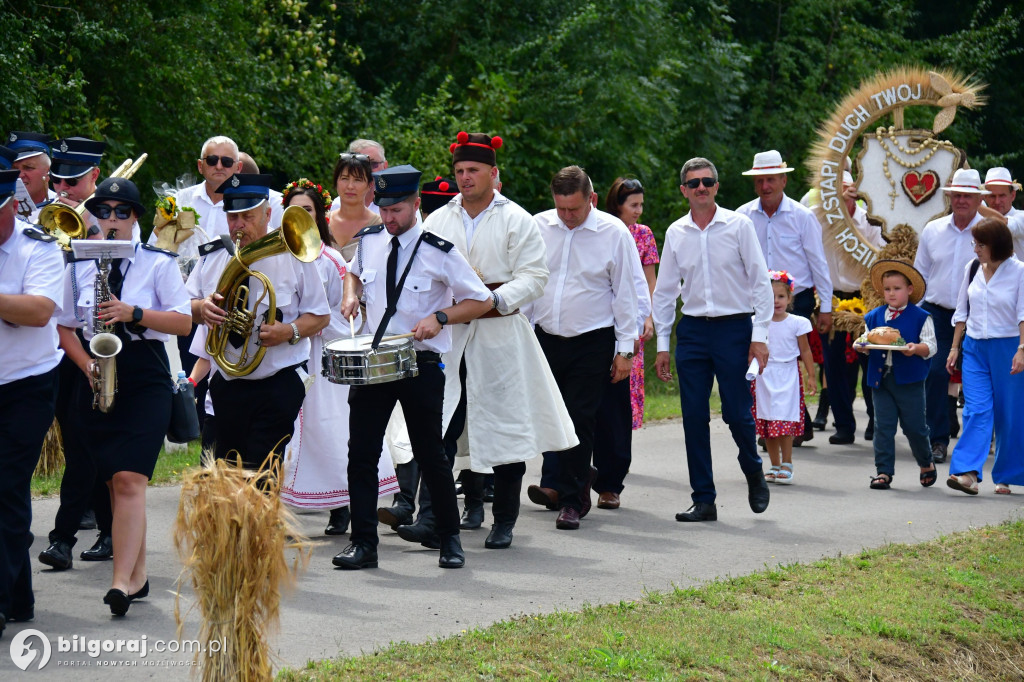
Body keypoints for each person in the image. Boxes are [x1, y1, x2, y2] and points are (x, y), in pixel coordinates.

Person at [419, 133, 576, 548]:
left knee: (506, 430)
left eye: (473, 171)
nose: (465, 178)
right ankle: (436, 518)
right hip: (450, 337)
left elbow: (535, 277)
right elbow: (421, 271)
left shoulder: (516, 219)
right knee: (442, 426)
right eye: (459, 172)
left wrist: (492, 300)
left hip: (501, 336)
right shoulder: (438, 220)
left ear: (493, 173)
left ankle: (504, 520)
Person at [333, 164, 493, 570]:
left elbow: (480, 300)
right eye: (384, 209)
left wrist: (440, 318)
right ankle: (364, 543)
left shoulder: (440, 251)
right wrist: (351, 295)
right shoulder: (370, 241)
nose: (389, 218)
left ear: (416, 205)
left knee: (430, 452)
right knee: (362, 453)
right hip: (376, 359)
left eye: (398, 210)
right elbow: (353, 274)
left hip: (420, 362)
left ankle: (449, 538)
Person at [56, 178, 192, 615]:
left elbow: (182, 323)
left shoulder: (158, 262)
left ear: (136, 218)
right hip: (94, 372)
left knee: (131, 479)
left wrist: (132, 312)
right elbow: (62, 326)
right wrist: (84, 364)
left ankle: (119, 582)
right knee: (114, 480)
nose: (112, 219)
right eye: (105, 211)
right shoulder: (77, 262)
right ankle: (137, 577)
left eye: (122, 211)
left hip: (144, 372)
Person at [652, 157, 773, 522]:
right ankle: (704, 499)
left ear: (717, 187)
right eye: (694, 183)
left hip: (734, 328)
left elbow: (760, 282)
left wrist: (760, 336)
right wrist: (662, 344)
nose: (701, 187)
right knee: (693, 416)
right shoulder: (676, 232)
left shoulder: (738, 226)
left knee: (736, 412)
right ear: (683, 191)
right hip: (692, 331)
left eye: (707, 181)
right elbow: (666, 291)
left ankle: (753, 470)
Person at [276, 179, 399, 532]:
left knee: (328, 430)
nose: (300, 218)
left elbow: (346, 316)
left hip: (321, 355)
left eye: (308, 211)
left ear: (319, 217)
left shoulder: (329, 259)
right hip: (287, 353)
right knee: (290, 433)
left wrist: (309, 327)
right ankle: (283, 504)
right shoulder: (278, 258)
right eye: (292, 212)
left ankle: (341, 502)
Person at [190, 174, 331, 469]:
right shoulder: (214, 256)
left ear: (268, 214)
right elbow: (183, 306)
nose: (238, 224)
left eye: (247, 216)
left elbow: (320, 315)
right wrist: (202, 308)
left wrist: (288, 331)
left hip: (277, 382)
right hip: (227, 382)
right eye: (232, 216)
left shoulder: (294, 255)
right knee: (223, 476)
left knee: (261, 473)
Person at [530, 165, 644, 531]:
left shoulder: (613, 233)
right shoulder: (539, 226)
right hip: (545, 336)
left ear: (591, 200)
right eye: (561, 208)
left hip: (593, 338)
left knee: (580, 418)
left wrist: (625, 351)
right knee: (549, 415)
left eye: (574, 210)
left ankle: (573, 501)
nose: (566, 216)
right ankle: (572, 478)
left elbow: (628, 294)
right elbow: (530, 282)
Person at [38, 138, 116, 572]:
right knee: (80, 443)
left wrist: (94, 226)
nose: (64, 187)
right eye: (60, 179)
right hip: (64, 349)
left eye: (74, 179)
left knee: (94, 445)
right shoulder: (49, 219)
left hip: (104, 345)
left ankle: (68, 536)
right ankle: (103, 531)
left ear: (94, 179)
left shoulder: (114, 222)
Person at [0, 169, 64, 633]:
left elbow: (40, 310)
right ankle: (18, 595)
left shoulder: (36, 245)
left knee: (4, 485)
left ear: (8, 206)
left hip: (26, 384)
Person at [737, 150, 832, 444]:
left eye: (771, 179)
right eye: (761, 180)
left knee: (787, 364)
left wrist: (825, 307)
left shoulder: (802, 217)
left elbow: (818, 262)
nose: (766, 186)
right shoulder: (742, 216)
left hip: (796, 300)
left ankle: (790, 424)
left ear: (783, 180)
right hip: (754, 300)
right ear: (755, 183)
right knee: (760, 362)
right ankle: (773, 426)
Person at [590, 176, 658, 509]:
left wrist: (647, 317)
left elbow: (649, 281)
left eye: (641, 205)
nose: (638, 211)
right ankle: (573, 472)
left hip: (629, 326)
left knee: (620, 394)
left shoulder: (642, 235)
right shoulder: (600, 230)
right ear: (617, 204)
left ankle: (612, 473)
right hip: (594, 326)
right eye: (633, 205)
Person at [914, 168, 989, 463]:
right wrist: (914, 314)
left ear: (977, 199)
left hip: (979, 315)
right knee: (934, 373)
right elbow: (920, 275)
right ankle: (938, 440)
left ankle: (979, 443)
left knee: (976, 380)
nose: (961, 200)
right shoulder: (933, 230)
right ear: (949, 197)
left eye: (967, 196)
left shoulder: (989, 232)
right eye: (957, 195)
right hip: (937, 311)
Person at [946, 218, 1024, 495]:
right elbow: (961, 311)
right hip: (975, 347)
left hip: (1009, 347)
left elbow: (1023, 315)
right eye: (974, 243)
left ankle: (1006, 475)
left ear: (998, 246)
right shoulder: (972, 268)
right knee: (976, 409)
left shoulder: (1019, 272)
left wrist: (1022, 350)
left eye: (981, 244)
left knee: (1009, 413)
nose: (975, 249)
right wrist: (955, 347)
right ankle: (967, 472)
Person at [856, 261, 937, 490]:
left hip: (909, 380)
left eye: (897, 288)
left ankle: (925, 461)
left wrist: (915, 348)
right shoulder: (874, 316)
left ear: (909, 290)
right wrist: (862, 345)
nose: (891, 293)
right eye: (887, 289)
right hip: (880, 379)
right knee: (883, 425)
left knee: (914, 426)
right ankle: (883, 471)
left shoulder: (921, 316)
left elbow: (931, 346)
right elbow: (866, 339)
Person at [752, 271, 816, 485]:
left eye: (780, 296)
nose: (776, 301)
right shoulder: (757, 322)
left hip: (788, 374)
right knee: (769, 421)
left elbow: (805, 351)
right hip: (764, 376)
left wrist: (811, 377)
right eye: (770, 297)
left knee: (785, 420)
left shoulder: (797, 322)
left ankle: (787, 462)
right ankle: (774, 463)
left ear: (790, 298)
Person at [327, 152, 382, 260]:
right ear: (336, 182)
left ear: (370, 185)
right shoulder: (321, 223)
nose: (350, 186)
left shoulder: (379, 226)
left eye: (358, 180)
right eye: (344, 178)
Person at [7, 131, 56, 222]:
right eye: (13, 168)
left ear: (48, 171)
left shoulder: (62, 208)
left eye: (28, 168)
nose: (20, 175)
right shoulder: (3, 207)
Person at [330, 139, 387, 214]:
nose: (367, 171)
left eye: (373, 164)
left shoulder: (393, 205)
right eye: (360, 165)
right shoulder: (336, 206)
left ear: (385, 166)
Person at [981, 167, 1023, 260]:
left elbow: (1003, 225)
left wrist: (974, 204)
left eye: (1002, 196)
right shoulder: (981, 215)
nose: (997, 201)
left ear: (1012, 195)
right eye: (992, 196)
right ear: (985, 196)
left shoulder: (1021, 217)